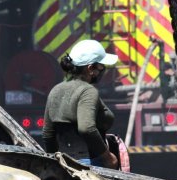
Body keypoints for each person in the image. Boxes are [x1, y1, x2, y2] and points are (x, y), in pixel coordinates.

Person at [42, 39, 119, 169]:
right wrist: (108, 157)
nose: (102, 70)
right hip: (91, 165)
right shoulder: (87, 91)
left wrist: (55, 164)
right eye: (101, 66)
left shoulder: (55, 90)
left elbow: (48, 133)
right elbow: (86, 128)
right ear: (90, 69)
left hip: (64, 164)